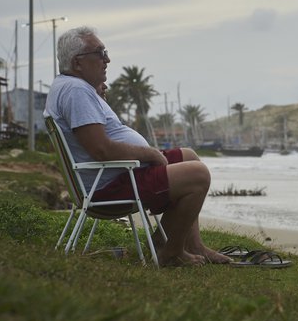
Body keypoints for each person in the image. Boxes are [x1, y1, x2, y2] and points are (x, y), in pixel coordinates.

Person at [44, 26, 230, 267]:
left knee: (189, 156)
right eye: (100, 53)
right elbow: (101, 150)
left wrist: (97, 99)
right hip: (110, 185)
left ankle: (191, 245)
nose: (107, 59)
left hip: (120, 174)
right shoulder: (76, 91)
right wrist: (150, 153)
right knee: (198, 174)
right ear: (78, 63)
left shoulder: (74, 88)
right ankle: (167, 251)